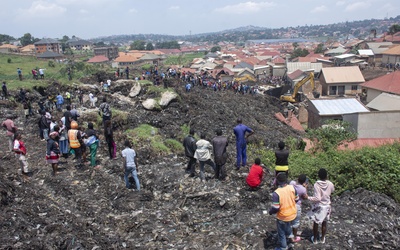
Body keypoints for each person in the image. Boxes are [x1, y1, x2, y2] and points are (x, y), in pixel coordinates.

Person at [269, 172, 298, 250]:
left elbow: (275, 208)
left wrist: (270, 212)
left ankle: (283, 247)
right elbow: (297, 199)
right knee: (287, 224)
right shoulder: (292, 188)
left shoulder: (276, 193)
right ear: (286, 180)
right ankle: (290, 236)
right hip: (293, 213)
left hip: (283, 216)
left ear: (277, 181)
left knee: (281, 234)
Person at [307, 168, 335, 245]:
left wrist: (308, 197)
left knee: (316, 223)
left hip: (319, 206)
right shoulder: (330, 183)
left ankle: (315, 239)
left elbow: (317, 198)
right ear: (326, 176)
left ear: (318, 176)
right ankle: (322, 238)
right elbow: (332, 190)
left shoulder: (316, 184)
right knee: (324, 223)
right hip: (327, 206)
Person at [289, 174, 309, 243]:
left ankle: (288, 234)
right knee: (295, 222)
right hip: (296, 206)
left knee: (288, 220)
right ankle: (294, 237)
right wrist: (306, 187)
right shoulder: (303, 189)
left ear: (298, 179)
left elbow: (294, 183)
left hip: (289, 204)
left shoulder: (291, 183)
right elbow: (305, 197)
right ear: (304, 182)